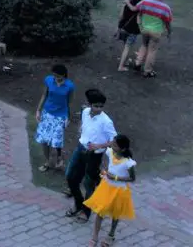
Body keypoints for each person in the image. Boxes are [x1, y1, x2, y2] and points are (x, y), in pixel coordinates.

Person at [65, 89, 117, 223]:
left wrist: (99, 146)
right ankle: (78, 203)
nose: (99, 108)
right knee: (70, 177)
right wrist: (81, 131)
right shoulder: (85, 112)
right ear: (90, 104)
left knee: (89, 184)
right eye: (96, 106)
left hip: (94, 156)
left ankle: (85, 212)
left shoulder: (106, 121)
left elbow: (115, 140)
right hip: (80, 149)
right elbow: (83, 124)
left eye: (101, 106)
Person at [83, 134, 137, 246]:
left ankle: (111, 235)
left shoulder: (128, 163)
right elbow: (108, 164)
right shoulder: (110, 152)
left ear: (123, 148)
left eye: (115, 145)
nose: (112, 146)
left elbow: (132, 178)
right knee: (99, 212)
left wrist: (116, 177)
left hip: (119, 191)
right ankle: (95, 236)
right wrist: (105, 170)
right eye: (113, 144)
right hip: (106, 188)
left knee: (115, 214)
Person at [34, 64, 75, 172]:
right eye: (54, 75)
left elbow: (69, 102)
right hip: (47, 113)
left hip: (60, 116)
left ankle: (59, 158)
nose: (56, 78)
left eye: (58, 76)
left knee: (56, 141)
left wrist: (68, 117)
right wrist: (38, 110)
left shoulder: (69, 86)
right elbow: (44, 95)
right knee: (44, 140)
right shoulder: (49, 80)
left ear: (64, 75)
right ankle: (47, 162)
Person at [133, 0, 172, 78]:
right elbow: (167, 22)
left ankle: (138, 63)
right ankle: (147, 71)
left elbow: (137, 9)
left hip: (144, 29)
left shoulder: (144, 2)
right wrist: (169, 32)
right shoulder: (166, 8)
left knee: (144, 45)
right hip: (156, 32)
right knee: (152, 51)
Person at [115, 0, 143, 72]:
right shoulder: (140, 9)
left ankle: (125, 61)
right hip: (133, 31)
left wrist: (118, 28)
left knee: (125, 47)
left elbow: (121, 17)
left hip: (124, 29)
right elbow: (139, 21)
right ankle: (121, 67)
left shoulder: (126, 5)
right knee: (127, 48)